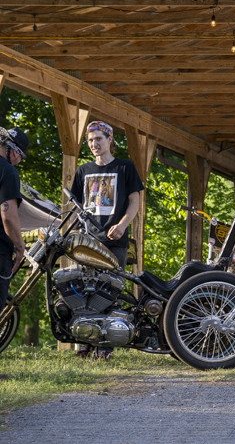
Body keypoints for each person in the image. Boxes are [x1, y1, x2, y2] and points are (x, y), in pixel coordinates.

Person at [69, 121, 144, 360]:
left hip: (115, 241)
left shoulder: (125, 167)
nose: (94, 144)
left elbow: (134, 201)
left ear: (110, 139)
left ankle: (106, 347)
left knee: (111, 292)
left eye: (98, 139)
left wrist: (122, 225)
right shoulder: (83, 170)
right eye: (90, 140)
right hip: (87, 242)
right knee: (83, 292)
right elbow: (75, 208)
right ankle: (84, 342)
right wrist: (71, 234)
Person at [0, 127, 30, 328]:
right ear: (14, 151)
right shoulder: (8, 171)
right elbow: (9, 216)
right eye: (20, 156)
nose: (18, 161)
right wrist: (20, 248)